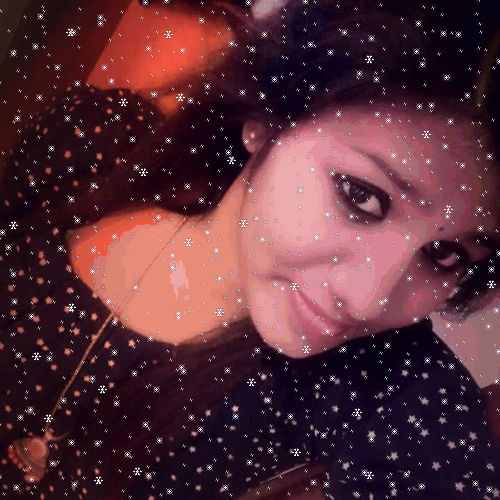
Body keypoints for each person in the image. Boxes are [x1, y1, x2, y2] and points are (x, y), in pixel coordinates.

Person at [1, 0, 499, 498]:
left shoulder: (395, 388)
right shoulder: (90, 144)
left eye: (445, 255)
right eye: (362, 197)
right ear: (268, 118)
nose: (367, 301)